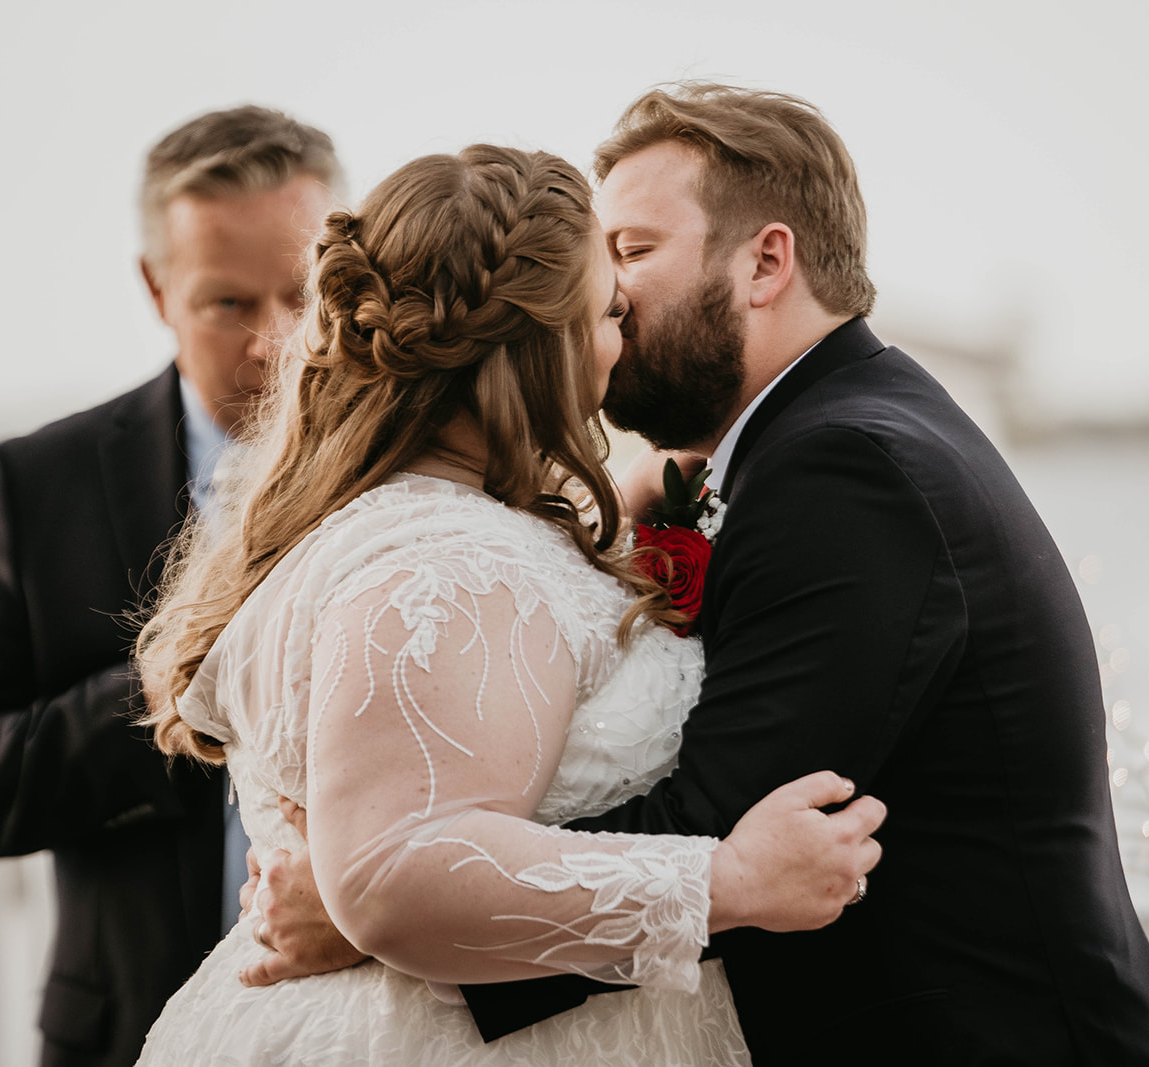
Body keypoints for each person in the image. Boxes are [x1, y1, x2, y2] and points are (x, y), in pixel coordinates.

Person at [257, 85, 1149, 1065]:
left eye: (631, 251)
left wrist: (388, 901)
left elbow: (717, 815)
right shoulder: (829, 438)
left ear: (764, 261)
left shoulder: (847, 472)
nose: (609, 294)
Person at [130, 143, 883, 1066]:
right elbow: (395, 876)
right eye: (606, 311)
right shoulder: (449, 563)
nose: (624, 337)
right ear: (542, 344)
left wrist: (650, 487)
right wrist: (723, 880)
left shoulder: (445, 522)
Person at [0, 105, 341, 1066]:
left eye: (301, 294)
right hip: (128, 1032)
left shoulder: (418, 465)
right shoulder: (43, 483)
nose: (274, 342)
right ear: (156, 285)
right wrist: (154, 699)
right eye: (228, 303)